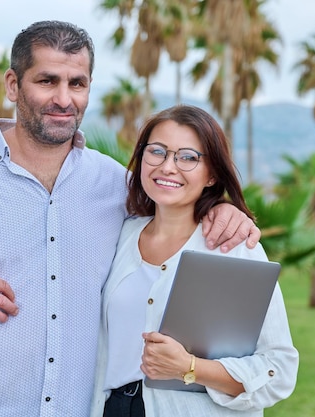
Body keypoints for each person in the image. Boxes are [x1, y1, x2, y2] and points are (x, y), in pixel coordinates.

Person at [0, 21, 261, 417]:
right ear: (13, 85)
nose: (64, 98)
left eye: (78, 83)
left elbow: (177, 205)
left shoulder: (115, 183)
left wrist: (221, 209)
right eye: (47, 81)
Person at [90, 105, 298, 417]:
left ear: (212, 174)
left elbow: (277, 370)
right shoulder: (119, 236)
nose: (167, 167)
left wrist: (190, 368)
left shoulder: (235, 247)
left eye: (188, 157)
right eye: (157, 151)